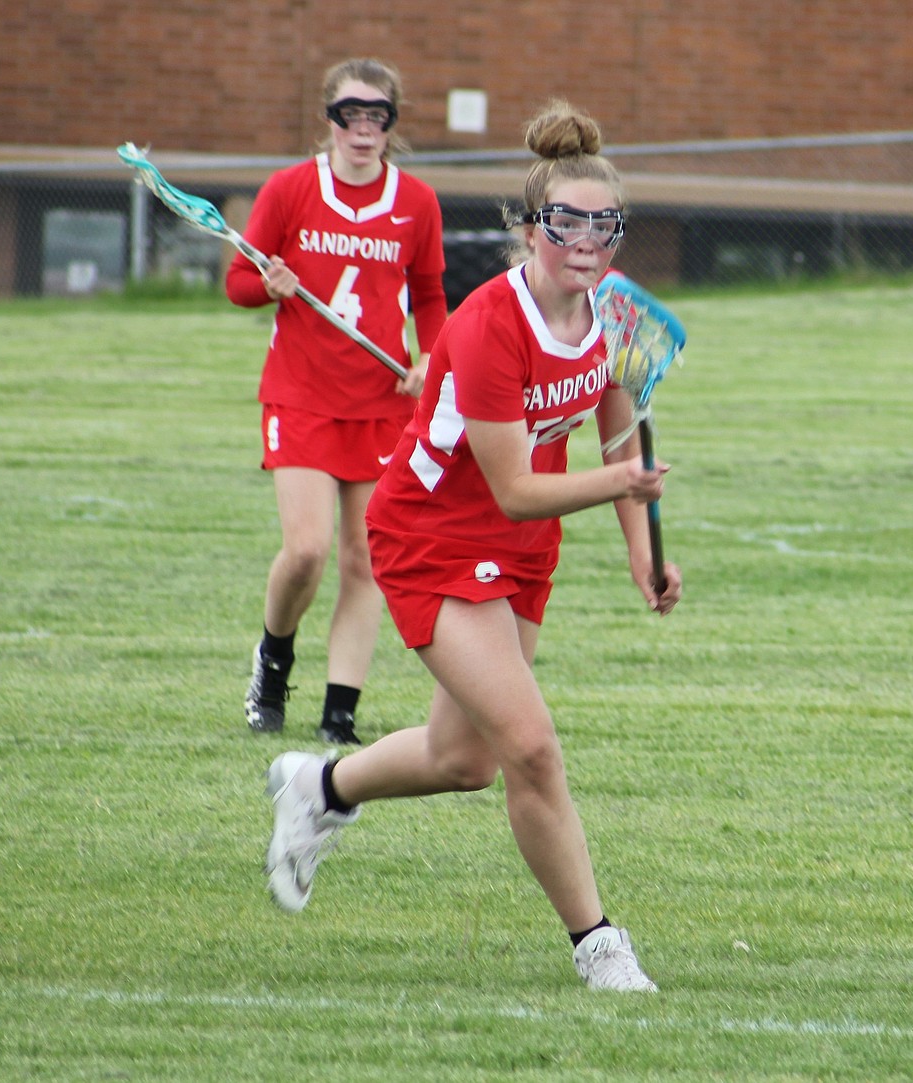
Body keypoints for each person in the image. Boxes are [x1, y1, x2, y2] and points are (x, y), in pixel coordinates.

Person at [262, 100, 682, 992]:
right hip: (432, 534)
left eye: (602, 222)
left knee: (467, 759)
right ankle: (599, 943)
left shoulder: (614, 310)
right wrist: (624, 487)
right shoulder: (490, 325)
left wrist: (643, 552)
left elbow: (617, 433)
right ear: (531, 229)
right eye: (564, 220)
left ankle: (321, 788)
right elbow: (517, 486)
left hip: (521, 546)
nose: (585, 237)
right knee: (530, 747)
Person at [227, 57, 448, 744]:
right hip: (300, 396)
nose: (361, 128)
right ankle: (273, 656)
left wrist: (431, 364)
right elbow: (238, 281)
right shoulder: (291, 189)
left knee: (367, 560)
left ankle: (338, 712)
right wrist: (273, 283)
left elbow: (433, 296)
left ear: (390, 125)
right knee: (307, 551)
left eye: (376, 116)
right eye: (348, 114)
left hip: (382, 403)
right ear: (329, 120)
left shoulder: (416, 203)